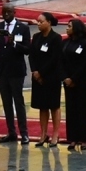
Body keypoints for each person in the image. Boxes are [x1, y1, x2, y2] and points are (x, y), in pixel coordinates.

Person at [0, 3, 31, 144]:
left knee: (18, 102)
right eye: (3, 12)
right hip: (2, 71)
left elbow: (27, 49)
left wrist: (14, 43)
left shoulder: (23, 28)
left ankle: (24, 133)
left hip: (16, 71)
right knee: (6, 103)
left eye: (8, 12)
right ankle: (11, 132)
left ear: (14, 12)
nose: (6, 14)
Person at [29, 12, 64, 146]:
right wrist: (35, 71)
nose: (38, 24)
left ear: (48, 22)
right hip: (37, 78)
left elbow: (54, 58)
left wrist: (42, 72)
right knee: (42, 106)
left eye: (41, 21)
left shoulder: (56, 38)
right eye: (37, 21)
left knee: (53, 106)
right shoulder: (36, 37)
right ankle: (43, 134)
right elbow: (31, 55)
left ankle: (56, 134)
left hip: (51, 77)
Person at [61, 18, 86, 151]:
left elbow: (84, 63)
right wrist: (65, 78)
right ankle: (73, 138)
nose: (67, 28)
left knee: (82, 109)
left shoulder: (85, 43)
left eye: (69, 26)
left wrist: (73, 78)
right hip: (68, 81)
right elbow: (61, 62)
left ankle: (84, 139)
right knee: (71, 109)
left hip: (82, 81)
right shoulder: (65, 43)